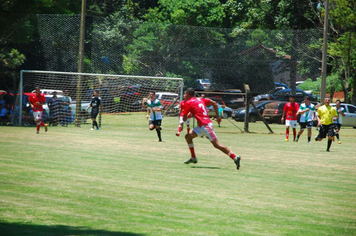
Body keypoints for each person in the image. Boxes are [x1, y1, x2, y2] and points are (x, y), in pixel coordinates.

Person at [181, 88, 241, 170]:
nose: (183, 96)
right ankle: (193, 157)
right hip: (203, 125)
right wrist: (218, 116)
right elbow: (214, 103)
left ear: (188, 94)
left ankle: (235, 157)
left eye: (184, 94)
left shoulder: (188, 103)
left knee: (217, 145)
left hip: (205, 126)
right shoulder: (200, 99)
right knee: (188, 136)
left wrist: (185, 113)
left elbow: (184, 119)